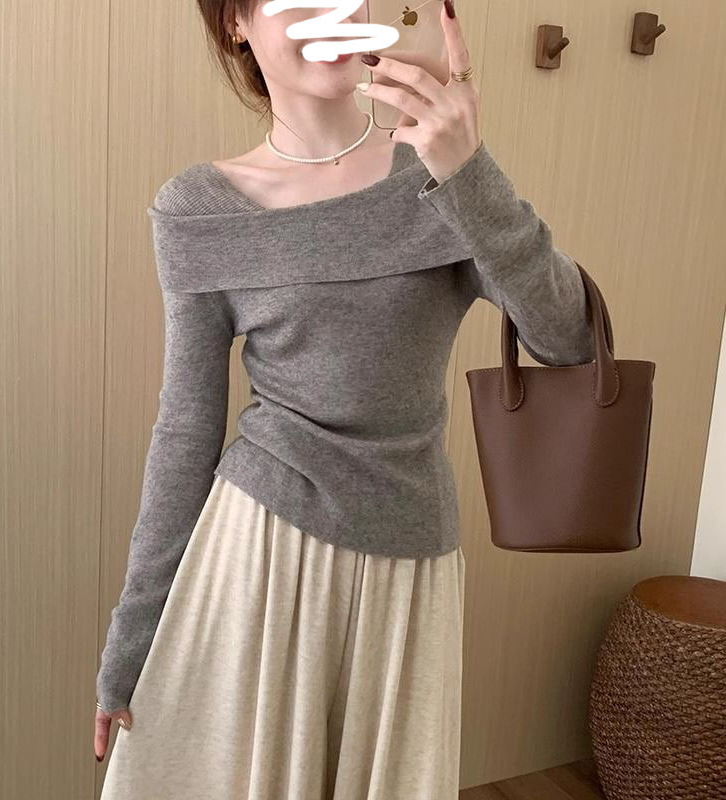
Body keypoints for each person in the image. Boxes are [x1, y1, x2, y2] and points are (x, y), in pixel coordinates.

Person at [93, 1, 594, 797]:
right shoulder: (200, 208)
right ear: (235, 23)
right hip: (259, 553)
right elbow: (186, 429)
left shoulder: (435, 174)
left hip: (410, 562)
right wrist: (131, 640)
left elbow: (570, 339)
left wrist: (468, 170)